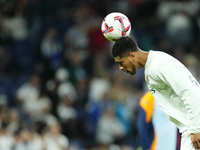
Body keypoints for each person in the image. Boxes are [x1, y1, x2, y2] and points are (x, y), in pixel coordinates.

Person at [112, 36, 200, 150]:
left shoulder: (158, 65)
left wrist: (196, 129)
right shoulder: (153, 65)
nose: (120, 68)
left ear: (132, 56)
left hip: (194, 126)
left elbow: (190, 91)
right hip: (190, 127)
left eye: (121, 62)